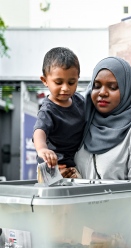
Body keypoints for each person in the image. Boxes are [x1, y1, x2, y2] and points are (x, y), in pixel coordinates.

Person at [62, 56, 131, 248]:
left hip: (118, 240)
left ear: (126, 91)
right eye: (97, 86)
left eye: (113, 86)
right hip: (76, 235)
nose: (102, 93)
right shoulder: (82, 127)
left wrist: (91, 191)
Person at [33, 47, 85, 177]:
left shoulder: (80, 101)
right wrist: (42, 149)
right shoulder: (48, 110)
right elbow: (39, 132)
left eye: (71, 82)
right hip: (52, 165)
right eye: (58, 82)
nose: (65, 88)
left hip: (76, 164)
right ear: (45, 81)